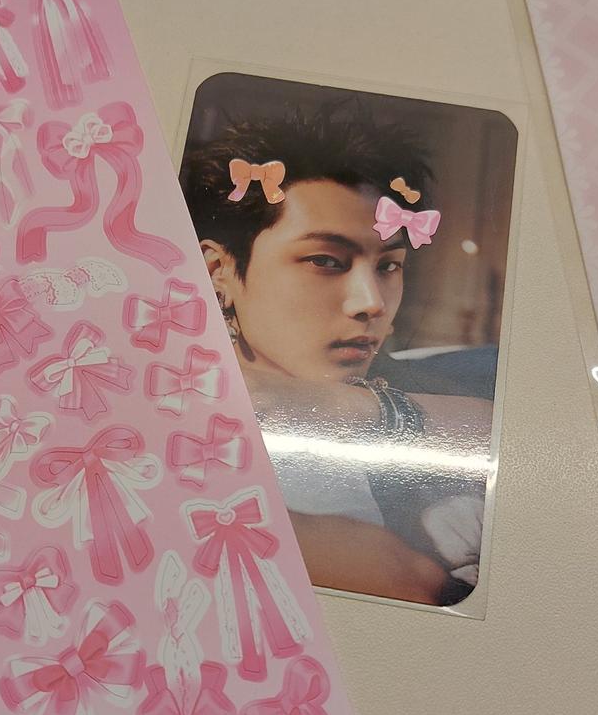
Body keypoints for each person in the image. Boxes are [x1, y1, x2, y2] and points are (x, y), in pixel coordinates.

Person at [180, 104, 494, 606]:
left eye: (389, 265)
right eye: (325, 261)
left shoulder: (459, 381)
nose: (371, 303)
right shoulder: (170, 421)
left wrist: (338, 407)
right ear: (218, 271)